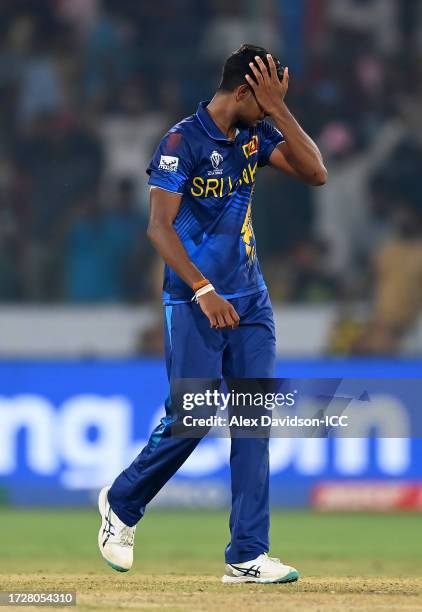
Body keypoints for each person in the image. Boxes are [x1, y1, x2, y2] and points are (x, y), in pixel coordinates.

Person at [97, 44, 327, 584]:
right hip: (195, 301)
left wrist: (280, 112)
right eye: (268, 96)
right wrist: (203, 290)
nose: (274, 106)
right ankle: (123, 502)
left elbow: (316, 173)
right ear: (244, 90)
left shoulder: (257, 132)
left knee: (253, 423)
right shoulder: (182, 141)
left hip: (250, 300)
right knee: (193, 418)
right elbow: (159, 227)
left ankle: (246, 555)